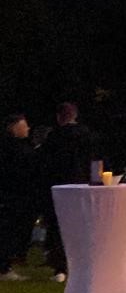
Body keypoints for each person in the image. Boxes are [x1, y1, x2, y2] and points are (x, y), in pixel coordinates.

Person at [36, 102, 99, 281]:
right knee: (82, 227)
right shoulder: (87, 135)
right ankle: (82, 265)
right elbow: (95, 161)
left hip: (60, 189)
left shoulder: (54, 137)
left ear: (59, 117)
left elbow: (45, 165)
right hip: (82, 187)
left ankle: (60, 268)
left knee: (58, 228)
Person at [0, 115, 34, 279]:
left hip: (16, 195)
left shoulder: (18, 147)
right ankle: (4, 267)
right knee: (8, 231)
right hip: (12, 196)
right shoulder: (12, 148)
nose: (27, 129)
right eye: (24, 126)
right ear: (15, 128)